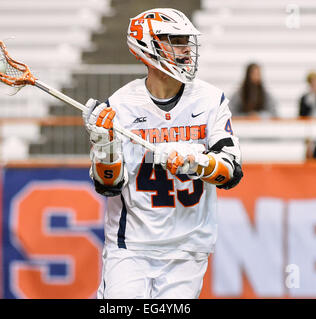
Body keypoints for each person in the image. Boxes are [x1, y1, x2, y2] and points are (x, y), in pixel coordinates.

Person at [82, 8, 243, 299]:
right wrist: (104, 144)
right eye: (176, 40)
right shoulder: (121, 105)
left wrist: (196, 161)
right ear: (147, 46)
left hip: (187, 246)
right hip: (131, 245)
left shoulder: (210, 100)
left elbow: (231, 173)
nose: (185, 49)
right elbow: (108, 185)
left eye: (186, 41)